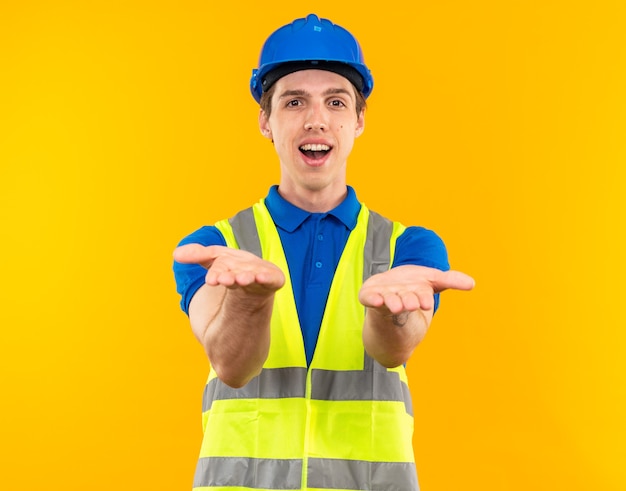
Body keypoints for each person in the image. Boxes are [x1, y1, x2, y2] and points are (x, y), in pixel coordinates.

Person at [173, 13, 474, 491]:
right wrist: (249, 303)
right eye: (294, 102)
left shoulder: (409, 249)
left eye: (336, 102)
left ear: (358, 122)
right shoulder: (214, 250)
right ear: (265, 121)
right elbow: (231, 367)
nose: (316, 119)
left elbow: (393, 350)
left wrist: (388, 314)